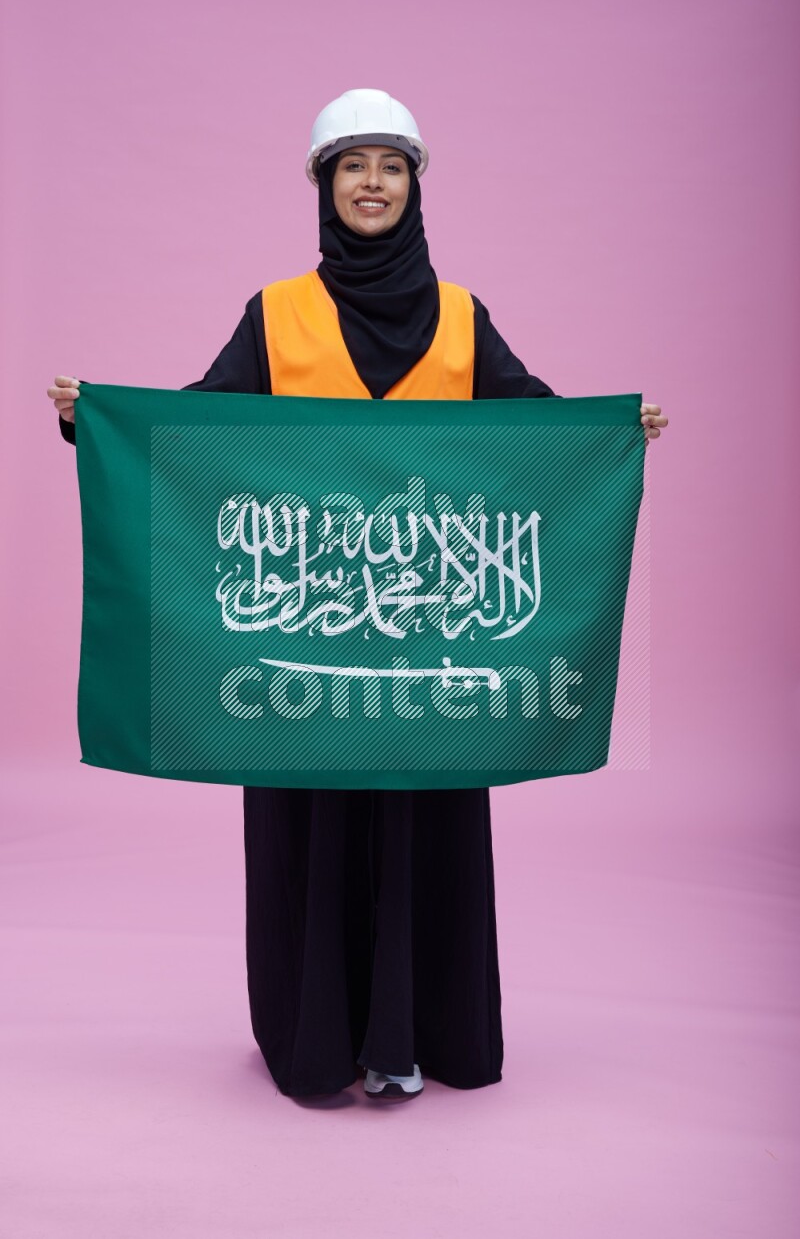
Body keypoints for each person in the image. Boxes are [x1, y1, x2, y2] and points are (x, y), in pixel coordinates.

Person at [49, 88, 669, 1102]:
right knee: (315, 822)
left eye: (390, 165)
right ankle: (321, 1039)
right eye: (352, 166)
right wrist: (104, 421)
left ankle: (416, 1036)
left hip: (433, 656)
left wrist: (610, 433)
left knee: (423, 825)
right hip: (309, 647)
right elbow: (200, 429)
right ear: (322, 186)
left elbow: (533, 428)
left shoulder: (463, 316)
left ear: (415, 183)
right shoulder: (278, 311)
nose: (371, 183)